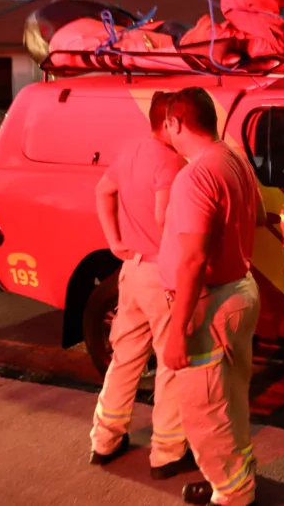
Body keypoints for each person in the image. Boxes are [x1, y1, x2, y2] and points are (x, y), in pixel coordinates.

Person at [159, 87, 265, 506]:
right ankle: (237, 479)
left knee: (206, 413)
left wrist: (178, 330)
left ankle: (234, 494)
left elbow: (192, 259)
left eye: (167, 123)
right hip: (240, 290)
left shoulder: (195, 176)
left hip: (210, 305)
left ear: (176, 123)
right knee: (232, 400)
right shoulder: (232, 157)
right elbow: (256, 214)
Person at [89, 91, 197, 480]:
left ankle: (105, 440)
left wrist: (115, 240)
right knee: (170, 363)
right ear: (170, 123)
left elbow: (103, 191)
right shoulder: (171, 162)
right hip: (159, 273)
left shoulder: (132, 151)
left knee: (125, 357)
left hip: (130, 271)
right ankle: (167, 452)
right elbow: (163, 218)